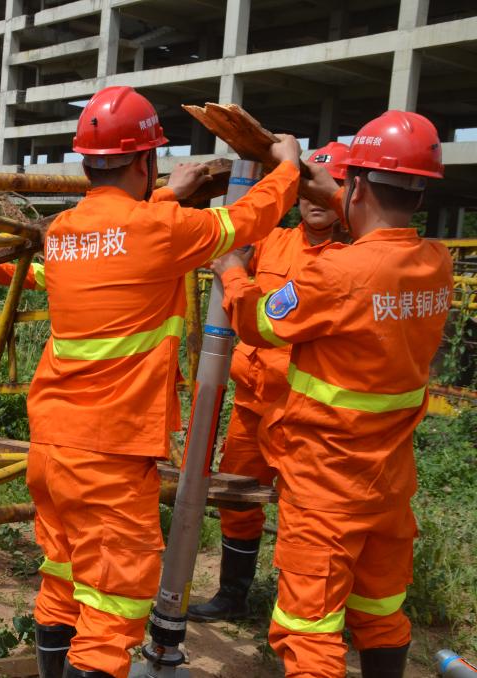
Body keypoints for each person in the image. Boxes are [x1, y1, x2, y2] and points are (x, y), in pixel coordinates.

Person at [23, 85, 303, 678]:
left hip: (51, 444)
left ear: (86, 163)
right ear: (145, 161)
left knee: (62, 580)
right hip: (110, 452)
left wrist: (167, 196)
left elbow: (120, 232)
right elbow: (249, 218)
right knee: (112, 608)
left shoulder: (63, 231)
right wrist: (288, 167)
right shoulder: (161, 229)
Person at [212, 111, 452, 678]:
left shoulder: (338, 272)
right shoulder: (435, 263)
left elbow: (258, 323)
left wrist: (232, 274)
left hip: (327, 483)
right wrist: (338, 194)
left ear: (358, 186)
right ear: (420, 193)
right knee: (380, 614)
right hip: (387, 483)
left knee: (309, 630)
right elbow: (381, 241)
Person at [188, 142, 350, 623]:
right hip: (251, 401)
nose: (315, 201)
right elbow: (222, 248)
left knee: (309, 512)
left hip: (305, 412)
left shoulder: (352, 259)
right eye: (306, 190)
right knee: (238, 497)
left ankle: (307, 608)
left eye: (328, 189)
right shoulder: (274, 241)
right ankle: (233, 597)